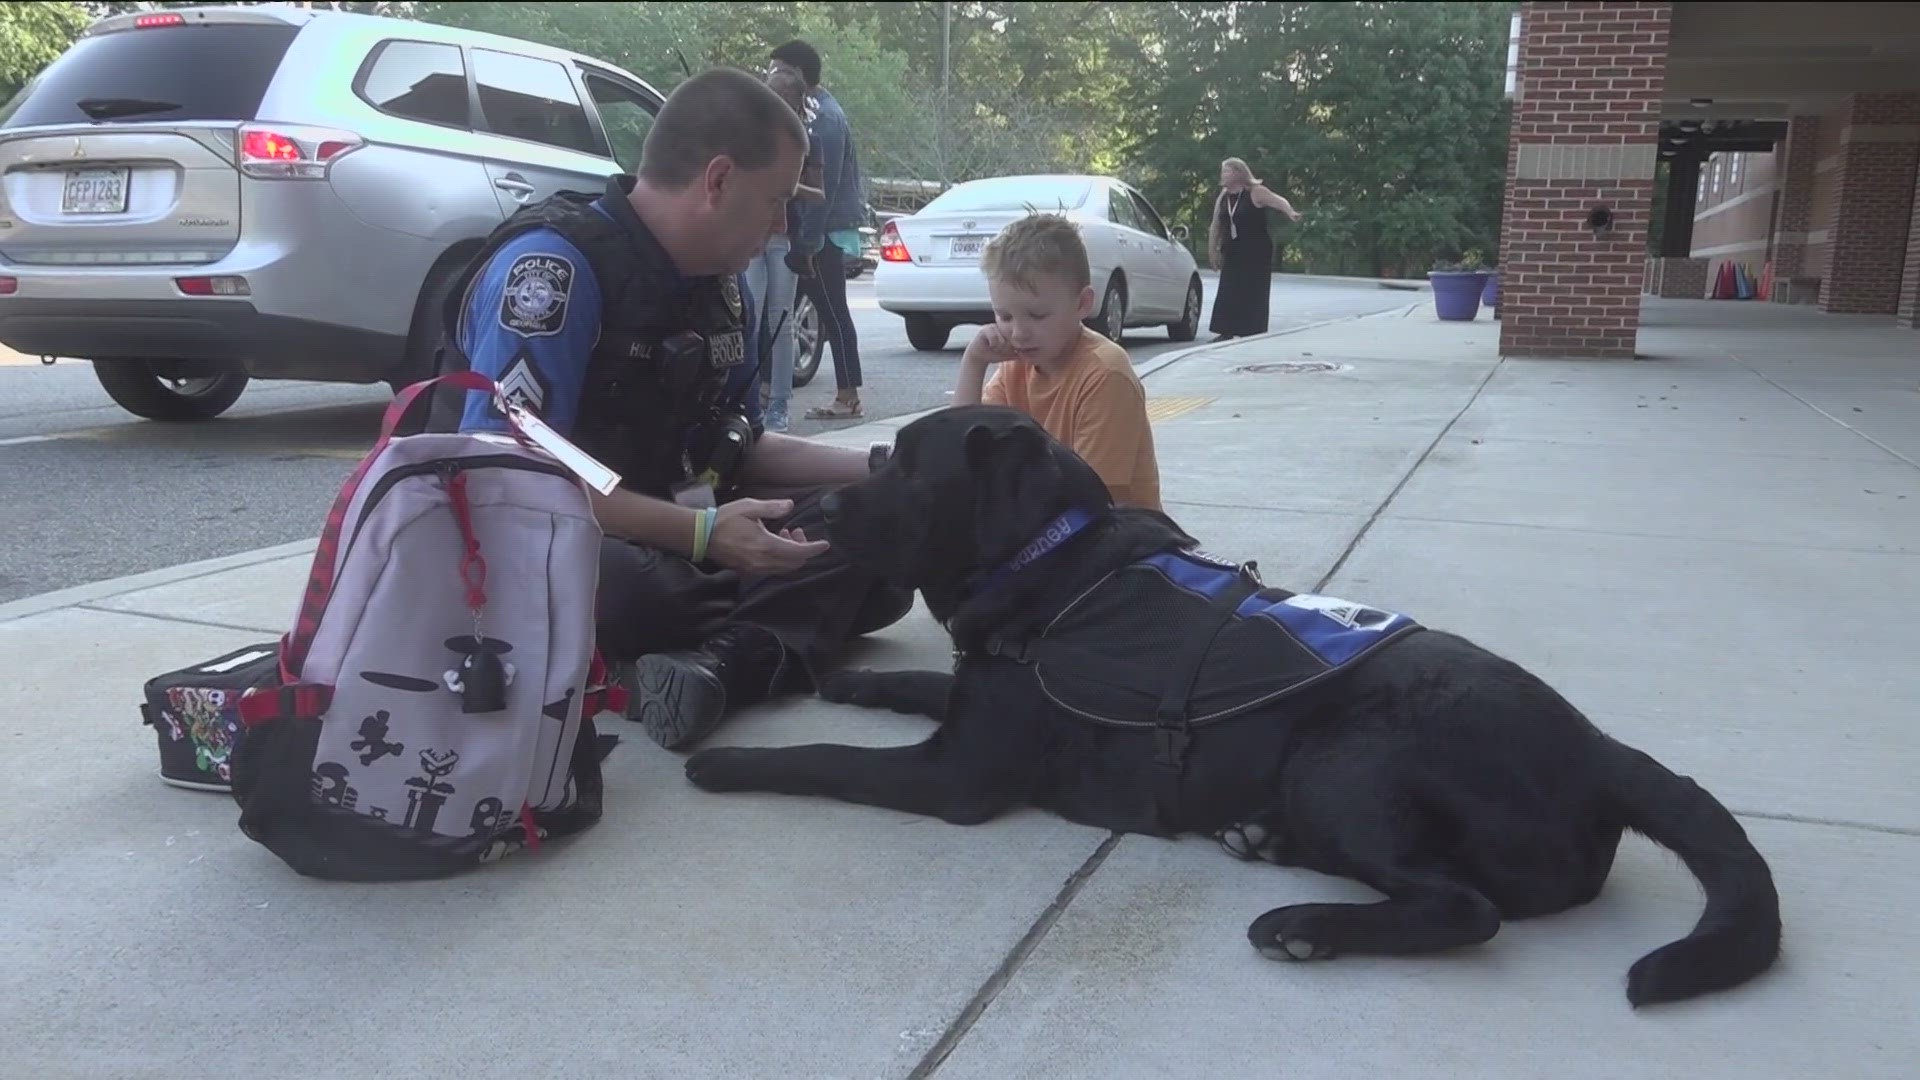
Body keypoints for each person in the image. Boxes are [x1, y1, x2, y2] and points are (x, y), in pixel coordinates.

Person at [433, 68, 913, 751]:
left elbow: (737, 448)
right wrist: (701, 539)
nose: (783, 225)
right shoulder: (553, 272)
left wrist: (880, 472)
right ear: (717, 181)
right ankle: (746, 643)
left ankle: (714, 664)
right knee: (642, 595)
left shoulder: (722, 289)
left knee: (876, 544)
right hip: (555, 536)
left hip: (682, 521)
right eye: (776, 200)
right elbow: (511, 476)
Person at [952, 213, 1163, 513]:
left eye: (1037, 316)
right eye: (1005, 316)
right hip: (1041, 524)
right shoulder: (1016, 366)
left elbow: (1093, 497)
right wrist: (973, 363)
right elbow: (962, 448)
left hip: (1110, 537)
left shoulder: (1104, 374)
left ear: (1082, 304)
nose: (1019, 333)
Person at [770, 39, 867, 421]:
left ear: (796, 74)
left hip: (823, 233)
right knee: (819, 311)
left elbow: (819, 194)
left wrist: (806, 245)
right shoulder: (815, 113)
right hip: (818, 231)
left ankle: (848, 398)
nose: (771, 75)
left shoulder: (822, 119)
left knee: (831, 313)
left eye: (777, 67)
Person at [741, 67, 824, 433]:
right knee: (748, 315)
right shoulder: (752, 132)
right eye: (767, 93)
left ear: (795, 99)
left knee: (781, 319)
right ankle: (744, 396)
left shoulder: (809, 137)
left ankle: (779, 402)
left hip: (785, 237)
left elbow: (819, 193)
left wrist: (787, 185)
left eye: (780, 95)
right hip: (751, 229)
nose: (772, 101)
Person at [1207, 157, 1303, 342]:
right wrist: (1212, 250)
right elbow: (1216, 224)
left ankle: (1252, 330)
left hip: (1255, 250)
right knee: (1229, 288)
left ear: (1238, 173)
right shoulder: (1224, 196)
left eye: (1226, 171)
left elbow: (1278, 200)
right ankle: (1226, 330)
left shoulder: (1256, 192)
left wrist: (1289, 211)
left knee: (1253, 289)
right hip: (1233, 248)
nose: (1222, 175)